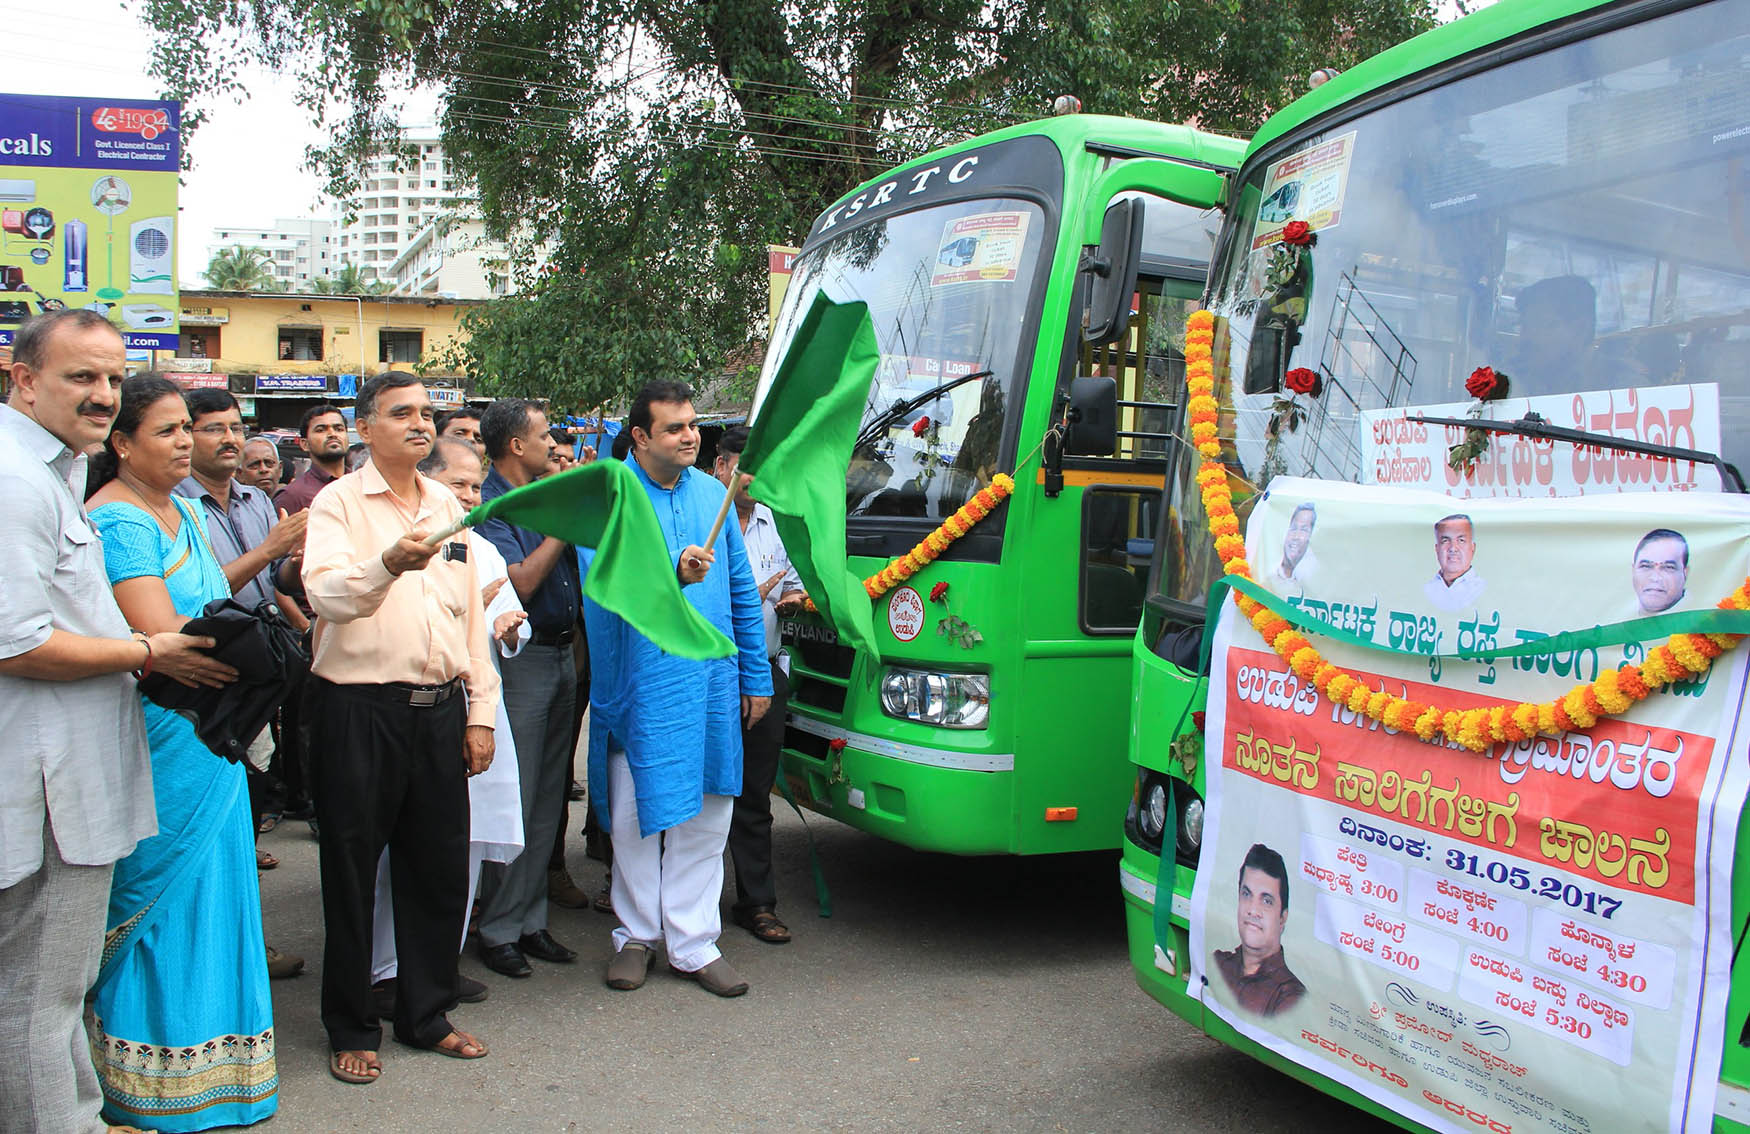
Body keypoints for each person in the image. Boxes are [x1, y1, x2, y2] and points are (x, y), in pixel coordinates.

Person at [0, 311, 223, 1134]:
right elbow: (14, 641)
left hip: (71, 771)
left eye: (110, 378)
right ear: (22, 378)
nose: (102, 396)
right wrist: (144, 647)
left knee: (46, 994)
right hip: (46, 784)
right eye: (79, 377)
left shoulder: (52, 470)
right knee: (37, 996)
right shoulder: (16, 479)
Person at [85, 374, 277, 1129]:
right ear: (122, 444)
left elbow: (209, 604)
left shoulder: (183, 509)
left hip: (211, 723)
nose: (183, 442)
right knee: (157, 890)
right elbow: (162, 636)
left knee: (214, 885)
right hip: (168, 724)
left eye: (183, 429)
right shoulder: (121, 521)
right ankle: (145, 1083)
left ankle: (219, 1073)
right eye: (164, 431)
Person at [301, 371, 499, 1083]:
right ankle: (351, 1024)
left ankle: (426, 1015)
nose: (420, 423)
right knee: (352, 872)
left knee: (439, 870)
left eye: (427, 413)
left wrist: (479, 713)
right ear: (365, 426)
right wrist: (386, 564)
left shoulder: (448, 502)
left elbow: (471, 618)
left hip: (439, 710)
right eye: (401, 413)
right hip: (359, 711)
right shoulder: (338, 504)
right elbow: (323, 592)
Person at [586, 380, 772, 998]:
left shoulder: (712, 494)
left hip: (713, 682)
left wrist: (756, 675)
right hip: (641, 682)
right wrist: (672, 575)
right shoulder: (613, 497)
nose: (691, 435)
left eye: (693, 425)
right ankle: (635, 935)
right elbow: (604, 587)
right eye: (674, 428)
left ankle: (693, 943)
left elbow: (742, 593)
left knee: (712, 810)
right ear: (640, 437)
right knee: (637, 812)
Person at [368, 438, 526, 1015]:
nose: (468, 495)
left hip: (475, 711)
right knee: (401, 851)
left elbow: (507, 628)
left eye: (475, 485)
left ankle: (438, 961)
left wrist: (506, 625)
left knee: (458, 846)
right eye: (457, 484)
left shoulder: (481, 547)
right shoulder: (400, 541)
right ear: (428, 482)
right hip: (411, 709)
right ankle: (385, 969)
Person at [173, 387, 309, 980]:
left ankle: (245, 939)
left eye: (235, 426)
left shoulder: (256, 499)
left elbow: (275, 578)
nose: (228, 438)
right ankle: (201, 952)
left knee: (248, 807)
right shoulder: (173, 507)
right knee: (202, 818)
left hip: (264, 669)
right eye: (212, 429)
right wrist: (272, 551)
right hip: (210, 673)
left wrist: (293, 562)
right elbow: (200, 596)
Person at [473, 397, 583, 979]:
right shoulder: (493, 505)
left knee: (547, 794)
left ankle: (530, 920)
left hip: (562, 655)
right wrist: (562, 529)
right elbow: (519, 580)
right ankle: (496, 927)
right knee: (513, 796)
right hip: (521, 662)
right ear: (516, 445)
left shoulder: (540, 495)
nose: (551, 444)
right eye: (544, 436)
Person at [713, 425, 805, 944]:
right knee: (704, 794)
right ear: (721, 467)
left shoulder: (776, 524)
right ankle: (687, 907)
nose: (754, 476)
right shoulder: (706, 524)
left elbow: (791, 584)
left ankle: (757, 902)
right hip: (712, 671)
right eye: (745, 464)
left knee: (754, 794)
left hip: (764, 671)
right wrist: (760, 590)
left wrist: (788, 595)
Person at [1211, 843, 1305, 1018]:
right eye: (1247, 894)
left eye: (1267, 901)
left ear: (1282, 918)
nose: (1253, 910)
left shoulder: (1290, 997)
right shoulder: (1218, 963)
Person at [1514, 275, 1597, 393]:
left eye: (1538, 325)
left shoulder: (1616, 382)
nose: (1525, 337)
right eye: (1524, 326)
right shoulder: (1517, 372)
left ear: (1580, 330)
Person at [275, 402, 348, 515]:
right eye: (320, 430)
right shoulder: (292, 496)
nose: (332, 434)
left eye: (339, 429)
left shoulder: (362, 484)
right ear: (304, 444)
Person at [1422, 513, 1485, 612]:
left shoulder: (1482, 589)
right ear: (1437, 549)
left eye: (1461, 540)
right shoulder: (1427, 589)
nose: (1453, 548)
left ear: (1472, 547)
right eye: (1445, 541)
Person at [1633, 528, 1689, 616]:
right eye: (1646, 566)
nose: (1655, 578)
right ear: (1633, 570)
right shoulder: (1618, 614)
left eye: (1668, 568)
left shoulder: (1705, 618)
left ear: (1685, 573)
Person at [1272, 502, 1318, 586]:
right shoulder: (1270, 573)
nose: (1296, 536)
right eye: (1293, 528)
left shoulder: (1312, 577)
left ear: (1311, 536)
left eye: (1304, 530)